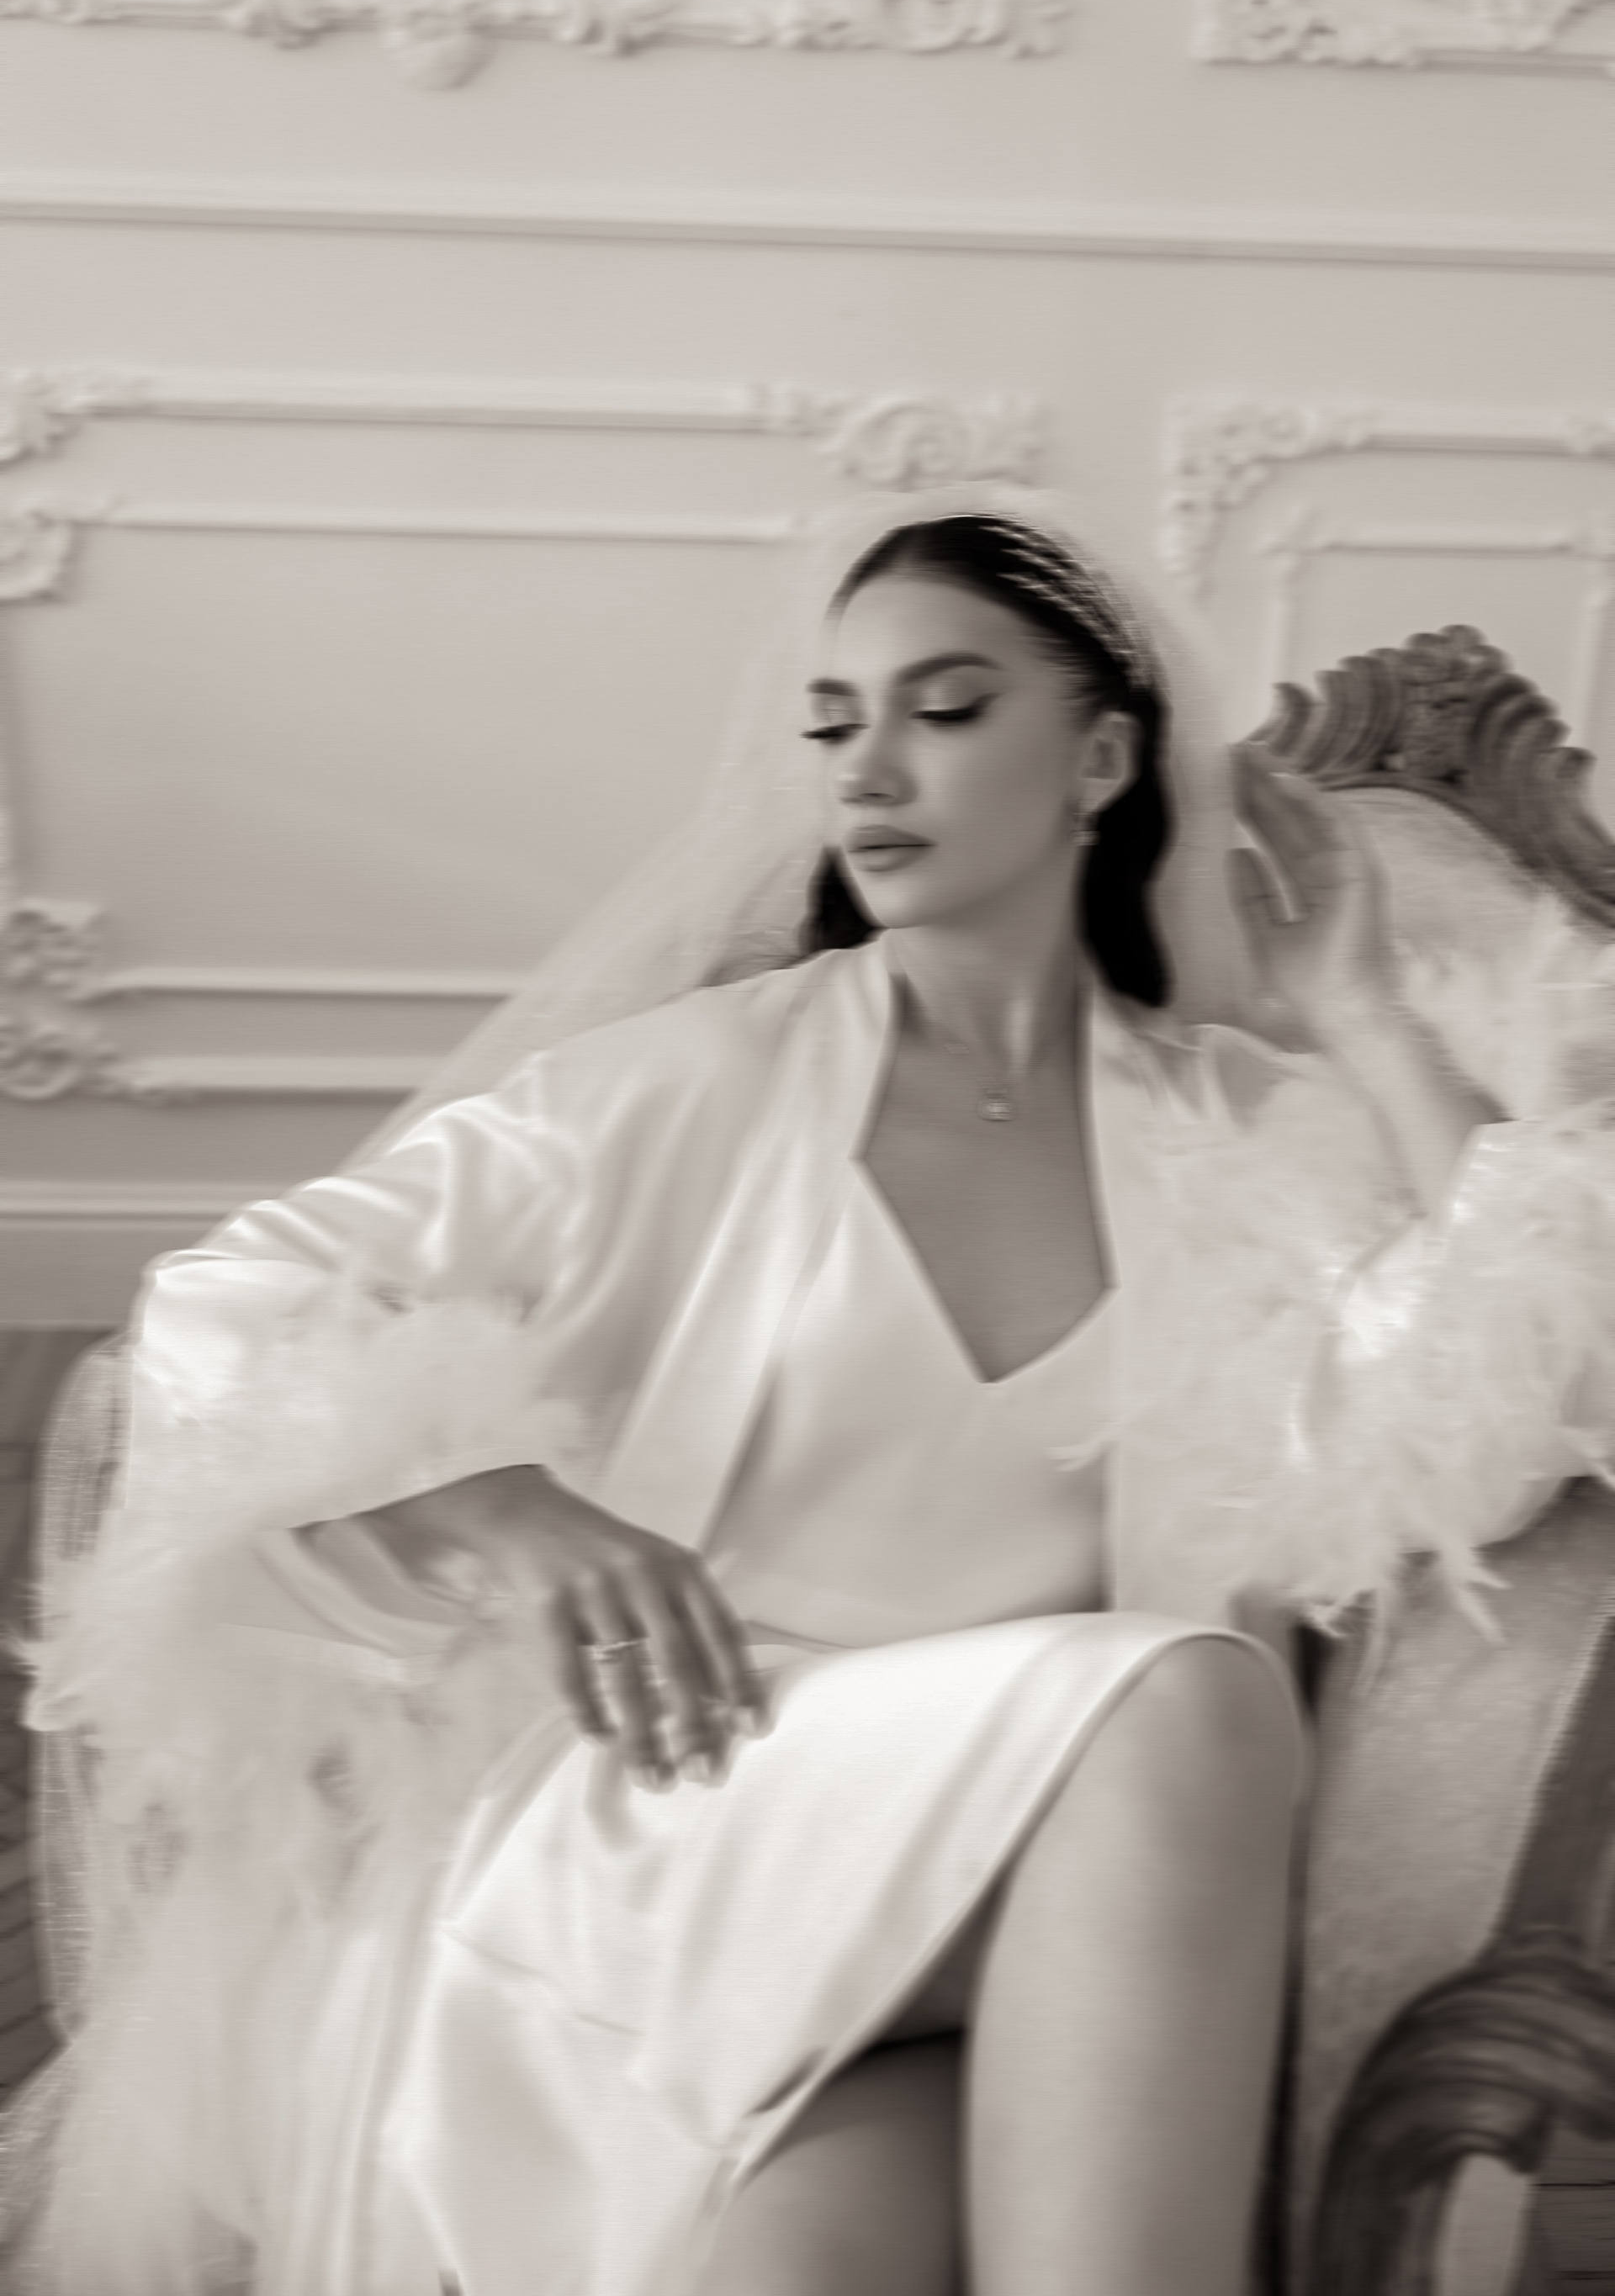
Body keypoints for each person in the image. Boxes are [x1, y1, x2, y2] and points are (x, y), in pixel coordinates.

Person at [7, 492, 1612, 2296]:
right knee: (1177, 1694)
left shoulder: (1240, 1131)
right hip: (673, 1828)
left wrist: (1369, 1020)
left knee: (807, 2256)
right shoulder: (689, 1085)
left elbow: (1517, 1400)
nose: (869, 770)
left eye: (946, 708)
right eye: (836, 722)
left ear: (1100, 759)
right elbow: (221, 1309)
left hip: (988, 1912)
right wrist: (502, 1507)